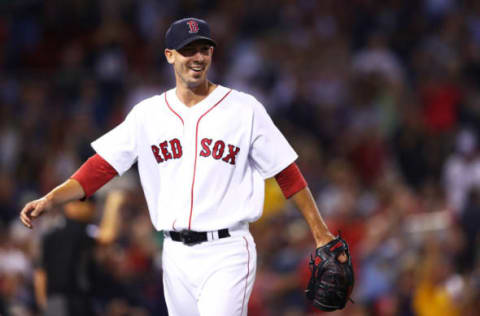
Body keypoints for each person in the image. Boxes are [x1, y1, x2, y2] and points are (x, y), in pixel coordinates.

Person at [20, 17, 346, 316]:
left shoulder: (244, 109)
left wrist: (320, 233)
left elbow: (286, 173)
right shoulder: (148, 114)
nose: (198, 57)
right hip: (174, 254)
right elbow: (101, 167)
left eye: (204, 49)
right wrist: (51, 199)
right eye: (188, 50)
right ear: (169, 55)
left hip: (228, 250)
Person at [33, 191, 125, 316]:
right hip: (69, 302)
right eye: (85, 204)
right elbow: (107, 236)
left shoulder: (51, 232)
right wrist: (113, 205)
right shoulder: (78, 228)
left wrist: (44, 305)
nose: (91, 208)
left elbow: (40, 274)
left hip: (58, 302)